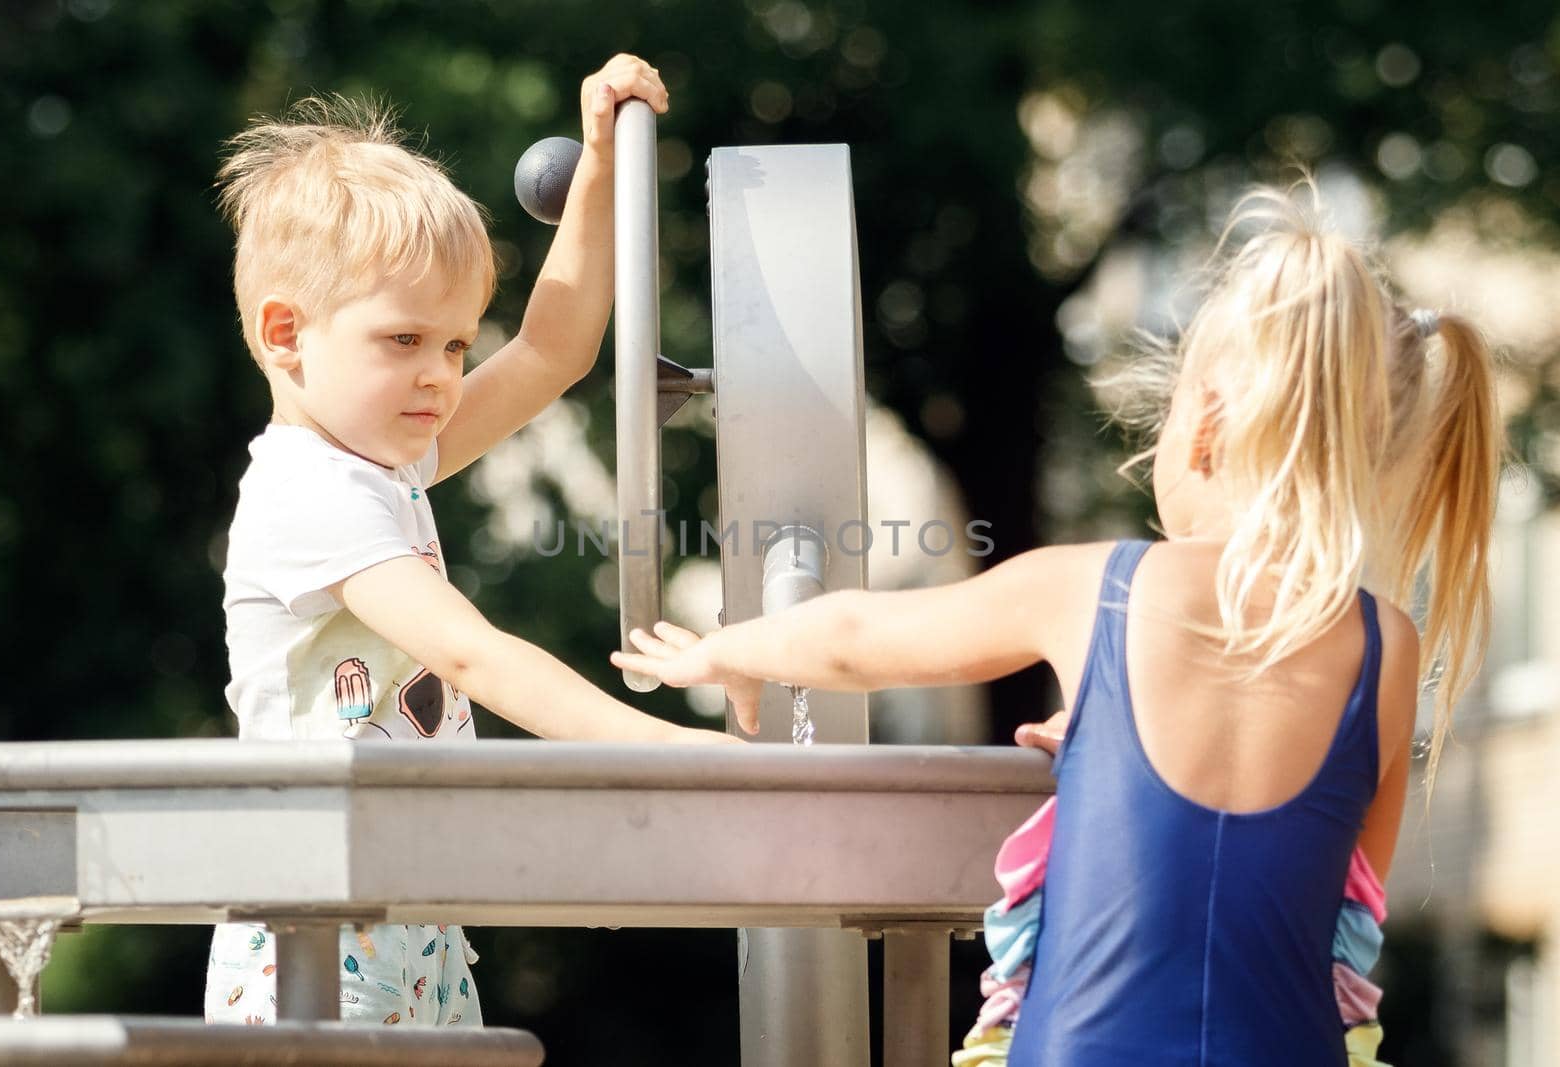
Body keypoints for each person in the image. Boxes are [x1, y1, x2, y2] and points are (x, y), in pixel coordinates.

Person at [612, 180, 1501, 1065]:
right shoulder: (1387, 646)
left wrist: (728, 650)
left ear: (1204, 429)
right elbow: (1342, 900)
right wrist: (1108, 740)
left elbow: (854, 636)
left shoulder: (1099, 589)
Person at [204, 56, 729, 1028]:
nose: (440, 375)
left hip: (409, 910)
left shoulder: (385, 464)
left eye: (452, 345)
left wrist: (603, 164)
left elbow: (549, 350)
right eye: (404, 341)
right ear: (287, 334)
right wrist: (678, 753)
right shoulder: (309, 489)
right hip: (315, 921)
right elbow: (468, 651)